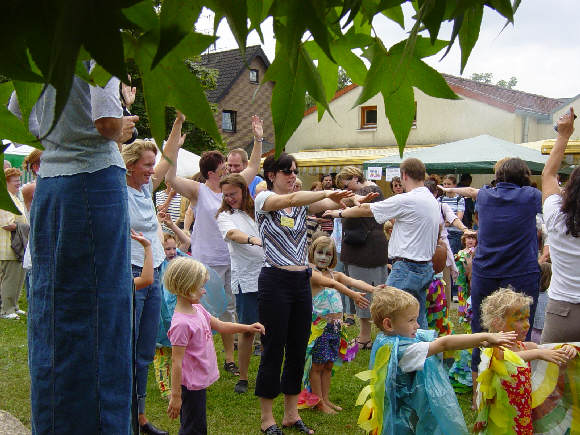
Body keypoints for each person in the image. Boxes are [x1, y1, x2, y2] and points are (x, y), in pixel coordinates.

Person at [26, 70, 137, 433]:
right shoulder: (96, 44)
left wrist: (60, 133)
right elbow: (106, 123)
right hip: (92, 181)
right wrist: (123, 122)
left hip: (51, 185)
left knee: (51, 313)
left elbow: (23, 112)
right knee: (102, 316)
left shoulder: (39, 47)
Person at [254, 151, 362, 435]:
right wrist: (325, 193)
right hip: (274, 280)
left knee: (298, 348)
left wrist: (351, 199)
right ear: (271, 175)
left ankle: (291, 414)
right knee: (273, 348)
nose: (293, 176)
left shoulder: (301, 204)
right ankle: (267, 418)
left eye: (295, 171)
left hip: (301, 281)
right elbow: (292, 199)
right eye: (287, 172)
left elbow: (328, 203)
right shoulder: (264, 199)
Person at [165, 115, 263, 377]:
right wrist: (174, 145)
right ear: (211, 172)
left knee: (230, 309)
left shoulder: (232, 187)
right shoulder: (199, 191)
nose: (228, 171)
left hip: (234, 258)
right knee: (206, 309)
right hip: (207, 260)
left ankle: (229, 359)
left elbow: (253, 166)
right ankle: (201, 356)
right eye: (223, 168)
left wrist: (257, 138)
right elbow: (170, 176)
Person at [441, 157, 543, 393]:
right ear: (524, 176)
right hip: (521, 272)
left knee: (482, 330)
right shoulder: (530, 196)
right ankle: (516, 388)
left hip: (486, 272)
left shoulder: (486, 195)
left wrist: (447, 189)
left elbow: (470, 190)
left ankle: (479, 393)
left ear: (498, 177)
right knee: (520, 328)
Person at [356, 286, 517, 435]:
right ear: (389, 324)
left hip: (397, 407)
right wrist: (486, 336)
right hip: (405, 414)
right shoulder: (405, 351)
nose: (417, 325)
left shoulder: (385, 340)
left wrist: (479, 342)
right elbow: (444, 343)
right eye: (411, 320)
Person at [121, 112, 186, 435]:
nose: (151, 171)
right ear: (130, 165)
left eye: (151, 165)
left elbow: (169, 157)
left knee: (145, 350)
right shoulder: (117, 190)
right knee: (127, 348)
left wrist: (176, 124)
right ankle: (123, 415)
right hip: (131, 276)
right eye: (146, 165)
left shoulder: (145, 190)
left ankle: (140, 416)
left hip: (155, 273)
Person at [325, 158, 439, 329]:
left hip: (406, 268)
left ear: (404, 175)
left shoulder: (407, 199)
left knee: (391, 315)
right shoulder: (431, 199)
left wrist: (339, 213)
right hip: (423, 267)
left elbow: (366, 210)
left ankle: (399, 352)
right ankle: (420, 353)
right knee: (416, 318)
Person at [165, 257, 265, 435]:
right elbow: (176, 361)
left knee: (197, 425)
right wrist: (176, 395)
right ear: (185, 287)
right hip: (190, 385)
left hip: (198, 382)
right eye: (200, 287)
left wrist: (248, 327)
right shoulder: (181, 324)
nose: (204, 291)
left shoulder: (197, 309)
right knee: (192, 428)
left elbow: (221, 325)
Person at [473, 288, 577, 434]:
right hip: (501, 422)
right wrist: (538, 353)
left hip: (523, 413)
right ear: (497, 323)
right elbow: (507, 358)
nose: (528, 325)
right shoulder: (494, 350)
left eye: (527, 318)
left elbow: (547, 350)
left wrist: (566, 348)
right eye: (520, 319)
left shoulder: (525, 347)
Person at [303, 236, 375, 413]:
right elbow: (335, 285)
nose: (323, 257)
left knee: (328, 365)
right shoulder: (312, 274)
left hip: (335, 327)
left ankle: (325, 399)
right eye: (320, 253)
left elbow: (353, 281)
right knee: (317, 365)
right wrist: (353, 295)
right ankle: (317, 401)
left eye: (328, 254)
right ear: (312, 253)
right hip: (319, 328)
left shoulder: (335, 274)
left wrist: (374, 289)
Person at [215, 173, 265, 394]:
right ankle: (243, 378)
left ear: (244, 190)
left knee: (270, 329)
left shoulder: (259, 210)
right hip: (246, 278)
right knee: (247, 329)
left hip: (270, 275)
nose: (229, 199)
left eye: (233, 194)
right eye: (225, 195)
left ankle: (267, 372)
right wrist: (251, 239)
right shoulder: (224, 216)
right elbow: (233, 234)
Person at [333, 166, 388, 349]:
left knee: (365, 293)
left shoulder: (370, 191)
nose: (345, 188)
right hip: (361, 249)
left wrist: (340, 211)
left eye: (346, 183)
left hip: (366, 251)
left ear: (355, 178)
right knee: (363, 290)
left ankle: (365, 337)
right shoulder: (368, 191)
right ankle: (366, 334)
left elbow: (362, 213)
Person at [540, 107, 580, 343]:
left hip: (562, 310)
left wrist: (564, 135)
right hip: (561, 306)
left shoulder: (555, 215)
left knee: (549, 375)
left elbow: (548, 175)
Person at [154, 230, 189, 400]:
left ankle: (180, 383)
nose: (172, 252)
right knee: (162, 355)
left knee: (178, 354)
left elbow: (186, 242)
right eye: (168, 249)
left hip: (177, 317)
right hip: (161, 319)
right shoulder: (158, 264)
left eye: (174, 248)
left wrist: (171, 225)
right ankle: (165, 389)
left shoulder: (179, 260)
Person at [0, 168, 28, 319]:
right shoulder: (5, 200)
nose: (19, 183)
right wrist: (25, 227)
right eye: (15, 180)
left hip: (18, 246)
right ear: (6, 182)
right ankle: (6, 309)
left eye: (19, 180)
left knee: (18, 278)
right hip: (8, 246)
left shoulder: (15, 198)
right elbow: (7, 224)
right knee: (9, 279)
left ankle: (14, 306)